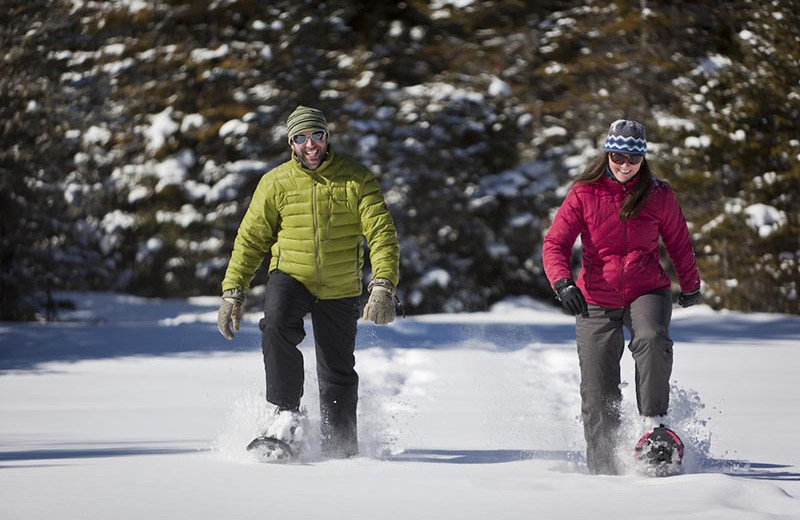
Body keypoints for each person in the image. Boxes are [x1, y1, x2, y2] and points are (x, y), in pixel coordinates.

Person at [217, 105, 400, 459]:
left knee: (336, 370)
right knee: (276, 327)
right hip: (291, 276)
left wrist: (383, 284)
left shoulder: (356, 178)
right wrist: (233, 292)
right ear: (291, 143)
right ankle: (286, 414)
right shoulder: (275, 182)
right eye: (301, 138)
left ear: (327, 137)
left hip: (341, 285)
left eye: (316, 135)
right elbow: (251, 239)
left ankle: (341, 447)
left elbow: (381, 234)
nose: (310, 144)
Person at [542, 119, 702, 475]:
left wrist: (690, 282)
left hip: (647, 288)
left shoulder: (659, 194)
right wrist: (563, 282)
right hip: (595, 296)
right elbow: (555, 242)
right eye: (617, 156)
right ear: (607, 154)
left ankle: (654, 427)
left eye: (632, 157)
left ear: (643, 158)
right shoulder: (584, 193)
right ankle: (604, 467)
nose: (624, 164)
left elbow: (678, 241)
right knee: (598, 387)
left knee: (651, 337)